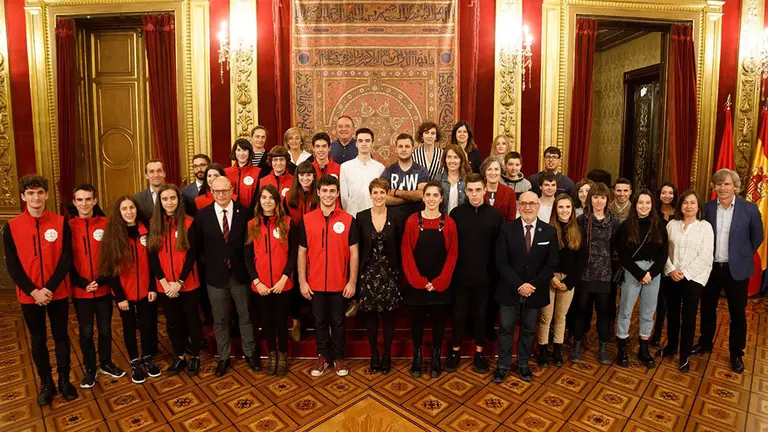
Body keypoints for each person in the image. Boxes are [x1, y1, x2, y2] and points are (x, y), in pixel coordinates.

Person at [3, 174, 78, 405]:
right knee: (38, 339)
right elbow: (12, 266)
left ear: (46, 194)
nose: (36, 197)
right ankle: (46, 383)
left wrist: (49, 288)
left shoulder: (60, 222)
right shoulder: (11, 227)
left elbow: (66, 258)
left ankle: (64, 379)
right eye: (31, 193)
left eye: (39, 192)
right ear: (23, 197)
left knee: (61, 336)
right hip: (29, 295)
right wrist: (34, 291)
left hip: (58, 292)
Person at [695, 169, 763, 373]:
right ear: (714, 187)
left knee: (737, 314)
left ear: (735, 186)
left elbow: (757, 237)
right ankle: (705, 343)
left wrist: (742, 255)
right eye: (718, 184)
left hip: (737, 270)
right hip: (711, 268)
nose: (722, 188)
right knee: (707, 309)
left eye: (726, 184)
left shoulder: (749, 209)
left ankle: (736, 353)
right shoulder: (706, 208)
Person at [196, 176, 259, 376]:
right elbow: (199, 248)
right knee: (220, 320)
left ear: (232, 190)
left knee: (246, 316)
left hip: (240, 275)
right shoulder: (202, 215)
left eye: (225, 191)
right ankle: (224, 357)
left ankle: (250, 353)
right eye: (217, 191)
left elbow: (250, 246)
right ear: (211, 192)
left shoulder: (245, 212)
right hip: (215, 277)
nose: (221, 195)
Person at [493, 191, 559, 383]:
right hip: (510, 289)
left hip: (535, 291)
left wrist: (532, 285)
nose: (527, 207)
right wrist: (519, 285)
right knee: (506, 329)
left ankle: (523, 364)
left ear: (538, 206)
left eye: (531, 203)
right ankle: (503, 365)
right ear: (518, 206)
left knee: (530, 329)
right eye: (523, 204)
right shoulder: (507, 229)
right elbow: (501, 262)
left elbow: (551, 264)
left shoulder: (549, 231)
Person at [298, 175, 359, 377]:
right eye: (324, 191)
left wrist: (352, 281)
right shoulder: (307, 220)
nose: (328, 195)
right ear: (318, 192)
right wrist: (302, 281)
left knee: (338, 321)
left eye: (332, 191)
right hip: (314, 283)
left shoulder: (348, 220)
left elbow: (354, 253)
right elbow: (301, 252)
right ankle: (323, 356)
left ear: (338, 193)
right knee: (319, 322)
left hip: (339, 283)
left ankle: (339, 358)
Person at [99, 196, 161, 384]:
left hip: (146, 290)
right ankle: (135, 361)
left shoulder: (147, 230)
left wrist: (152, 286)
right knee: (128, 327)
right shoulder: (113, 235)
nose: (129, 212)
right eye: (124, 209)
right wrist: (120, 297)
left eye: (131, 207)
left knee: (147, 325)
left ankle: (148, 357)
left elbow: (153, 262)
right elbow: (110, 269)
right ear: (119, 212)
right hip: (124, 292)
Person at [69, 184, 124, 388]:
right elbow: (66, 260)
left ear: (95, 200)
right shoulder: (68, 226)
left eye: (88, 199)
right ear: (75, 202)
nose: (84, 203)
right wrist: (83, 283)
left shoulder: (107, 224)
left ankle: (106, 363)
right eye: (80, 200)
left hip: (102, 288)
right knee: (85, 332)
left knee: (105, 329)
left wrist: (100, 280)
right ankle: (90, 369)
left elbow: (112, 257)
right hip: (80, 290)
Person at [402, 181, 458, 379]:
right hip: (417, 284)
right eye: (428, 195)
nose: (432, 199)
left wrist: (440, 281)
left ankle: (435, 357)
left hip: (440, 284)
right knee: (416, 322)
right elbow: (406, 254)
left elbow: (452, 255)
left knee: (438, 323)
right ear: (423, 197)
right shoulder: (411, 221)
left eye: (436, 195)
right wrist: (419, 281)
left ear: (441, 199)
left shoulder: (449, 223)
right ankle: (417, 357)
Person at [447, 174, 503, 374]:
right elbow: (450, 246)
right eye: (470, 190)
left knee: (481, 315)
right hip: (460, 275)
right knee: (458, 314)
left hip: (486, 277)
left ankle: (479, 353)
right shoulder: (456, 214)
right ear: (465, 191)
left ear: (485, 190)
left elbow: (499, 249)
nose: (474, 194)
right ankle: (454, 351)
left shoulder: (495, 216)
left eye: (478, 190)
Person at [148, 185, 203, 377]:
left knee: (192, 320)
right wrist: (163, 282)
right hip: (165, 285)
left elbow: (192, 254)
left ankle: (195, 356)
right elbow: (152, 256)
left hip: (187, 283)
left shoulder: (189, 222)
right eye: (165, 199)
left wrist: (179, 281)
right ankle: (179, 355)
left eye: (173, 198)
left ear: (179, 201)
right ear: (160, 202)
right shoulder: (154, 224)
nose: (169, 202)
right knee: (172, 323)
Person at [657, 190, 714, 372]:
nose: (688, 206)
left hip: (694, 278)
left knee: (688, 318)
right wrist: (671, 270)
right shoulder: (672, 225)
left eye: (692, 203)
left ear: (698, 206)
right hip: (671, 275)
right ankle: (672, 346)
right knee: (672, 314)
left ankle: (684, 355)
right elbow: (663, 251)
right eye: (685, 203)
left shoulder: (705, 227)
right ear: (680, 206)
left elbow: (705, 256)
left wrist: (685, 273)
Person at [245, 185, 298, 376]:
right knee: (267, 321)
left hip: (282, 284)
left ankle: (283, 354)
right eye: (264, 198)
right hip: (262, 286)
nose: (267, 201)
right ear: (259, 201)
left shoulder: (288, 223)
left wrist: (284, 278)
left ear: (277, 201)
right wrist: (257, 282)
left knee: (281, 321)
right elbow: (248, 257)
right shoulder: (252, 225)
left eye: (271, 198)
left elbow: (293, 254)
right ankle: (272, 354)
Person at [615, 188, 668, 369]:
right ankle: (622, 347)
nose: (643, 206)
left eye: (647, 203)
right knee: (626, 311)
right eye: (640, 203)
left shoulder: (659, 224)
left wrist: (651, 274)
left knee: (648, 312)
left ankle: (643, 348)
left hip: (653, 273)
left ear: (652, 205)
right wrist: (639, 273)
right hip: (633, 271)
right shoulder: (626, 225)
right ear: (635, 205)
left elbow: (664, 253)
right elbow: (622, 253)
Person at [357, 178, 403, 374]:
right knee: (371, 317)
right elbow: (356, 248)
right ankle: (374, 353)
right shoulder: (361, 217)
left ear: (387, 194)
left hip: (390, 273)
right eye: (375, 192)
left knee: (388, 317)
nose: (378, 196)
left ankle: (386, 355)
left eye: (382, 192)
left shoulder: (397, 216)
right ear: (370, 195)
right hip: (368, 273)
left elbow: (401, 245)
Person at [571, 182, 619, 364]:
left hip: (604, 273)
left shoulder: (614, 221)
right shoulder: (582, 219)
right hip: (584, 272)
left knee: (603, 312)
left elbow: (615, 246)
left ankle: (603, 347)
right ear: (590, 198)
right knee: (581, 309)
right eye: (596, 197)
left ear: (608, 199)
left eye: (603, 197)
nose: (599, 201)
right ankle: (576, 344)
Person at [538, 194, 582, 367]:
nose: (564, 211)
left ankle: (557, 349)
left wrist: (569, 282)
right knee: (545, 316)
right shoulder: (547, 230)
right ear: (556, 210)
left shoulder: (578, 231)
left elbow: (581, 261)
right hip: (549, 278)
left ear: (572, 210)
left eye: (568, 207)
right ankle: (542, 349)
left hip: (568, 280)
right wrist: (550, 277)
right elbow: (540, 258)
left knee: (560, 317)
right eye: (561, 207)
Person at [650, 181, 678, 347]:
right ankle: (656, 332)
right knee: (657, 301)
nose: (667, 196)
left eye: (670, 193)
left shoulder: (680, 213)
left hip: (674, 262)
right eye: (664, 193)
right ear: (659, 195)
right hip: (656, 262)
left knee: (668, 302)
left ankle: (666, 333)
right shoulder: (654, 213)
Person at [339, 128, 385, 217]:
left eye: (367, 141)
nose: (364, 143)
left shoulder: (380, 168)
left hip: (374, 217)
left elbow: (382, 194)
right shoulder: (345, 167)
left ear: (372, 143)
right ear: (356, 144)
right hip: (353, 215)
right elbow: (344, 198)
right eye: (360, 141)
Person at [381, 133, 429, 217]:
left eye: (407, 146)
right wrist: (410, 198)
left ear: (412, 148)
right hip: (393, 221)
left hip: (416, 220)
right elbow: (383, 198)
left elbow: (421, 195)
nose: (403, 149)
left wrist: (396, 192)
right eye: (400, 146)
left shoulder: (421, 171)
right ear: (396, 149)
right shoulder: (388, 171)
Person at [225, 138, 261, 209]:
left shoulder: (258, 172)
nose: (241, 153)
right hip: (230, 212)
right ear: (234, 152)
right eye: (238, 150)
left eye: (245, 150)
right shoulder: (226, 172)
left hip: (251, 213)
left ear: (249, 152)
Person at [481, 156, 516, 222]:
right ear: (484, 172)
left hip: (503, 231)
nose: (493, 173)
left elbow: (511, 220)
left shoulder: (509, 192)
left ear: (501, 171)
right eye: (489, 169)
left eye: (496, 169)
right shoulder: (478, 190)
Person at [134, 159, 166, 223]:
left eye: (159, 171)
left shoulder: (175, 195)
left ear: (164, 173)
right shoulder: (138, 198)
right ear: (146, 175)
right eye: (151, 171)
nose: (156, 175)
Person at [440, 144, 469, 215]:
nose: (452, 161)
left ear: (461, 160)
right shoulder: (438, 179)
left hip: (462, 220)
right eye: (449, 157)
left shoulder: (468, 180)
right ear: (445, 159)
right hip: (442, 221)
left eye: (456, 157)